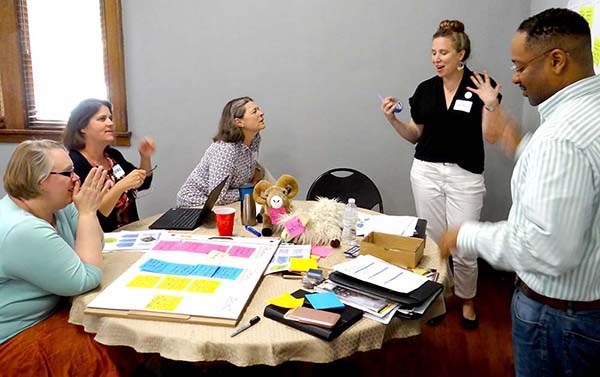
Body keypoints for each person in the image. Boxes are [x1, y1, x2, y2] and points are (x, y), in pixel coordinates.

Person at [439, 8, 600, 376]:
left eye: (520, 66)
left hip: (560, 321)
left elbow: (548, 249)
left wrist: (466, 234)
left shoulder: (561, 138)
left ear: (557, 60)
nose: (514, 78)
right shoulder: (587, 113)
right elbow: (577, 179)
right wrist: (520, 145)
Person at [380, 20, 502, 329]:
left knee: (464, 244)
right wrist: (392, 121)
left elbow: (490, 137)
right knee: (433, 243)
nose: (437, 58)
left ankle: (467, 300)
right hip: (427, 172)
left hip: (465, 176)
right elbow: (414, 135)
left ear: (461, 54)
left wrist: (490, 106)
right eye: (433, 52)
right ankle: (437, 297)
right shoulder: (425, 89)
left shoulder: (480, 86)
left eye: (444, 52)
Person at [0, 140, 141, 375]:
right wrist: (87, 211)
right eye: (68, 173)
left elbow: (97, 243)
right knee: (111, 349)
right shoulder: (22, 230)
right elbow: (85, 279)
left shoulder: (56, 204)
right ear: (40, 182)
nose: (77, 178)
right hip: (17, 333)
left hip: (54, 311)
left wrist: (85, 212)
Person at [63, 98, 156, 232]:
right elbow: (97, 215)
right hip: (102, 238)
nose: (110, 123)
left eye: (110, 118)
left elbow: (143, 183)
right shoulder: (75, 164)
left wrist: (145, 157)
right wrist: (122, 185)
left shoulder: (112, 155)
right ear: (82, 127)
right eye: (102, 119)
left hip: (130, 233)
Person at [177, 96, 265, 207]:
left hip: (228, 199)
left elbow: (249, 164)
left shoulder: (255, 139)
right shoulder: (225, 150)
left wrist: (257, 174)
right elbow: (218, 198)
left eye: (259, 109)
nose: (261, 113)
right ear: (239, 122)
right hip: (196, 204)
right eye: (254, 112)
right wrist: (248, 192)